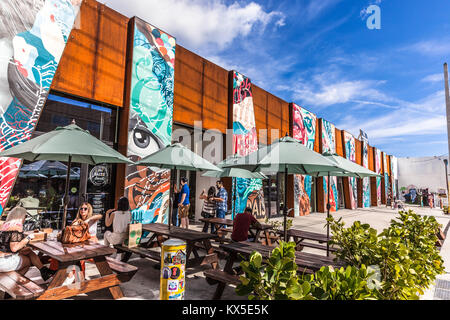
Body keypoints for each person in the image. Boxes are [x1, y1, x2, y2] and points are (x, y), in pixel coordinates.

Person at [0, 207, 54, 280]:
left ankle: (44, 271)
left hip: (3, 258)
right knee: (28, 262)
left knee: (28, 251)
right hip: (4, 262)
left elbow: (7, 246)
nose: (25, 218)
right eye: (25, 216)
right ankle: (14, 282)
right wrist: (28, 238)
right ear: (20, 216)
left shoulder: (4, 226)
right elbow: (14, 248)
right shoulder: (16, 228)